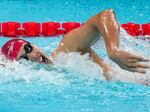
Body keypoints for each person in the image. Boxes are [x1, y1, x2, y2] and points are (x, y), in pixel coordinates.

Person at [1, 9, 149, 80]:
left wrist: (113, 50)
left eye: (28, 48)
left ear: (33, 43)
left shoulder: (66, 50)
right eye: (24, 59)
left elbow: (105, 15)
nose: (32, 55)